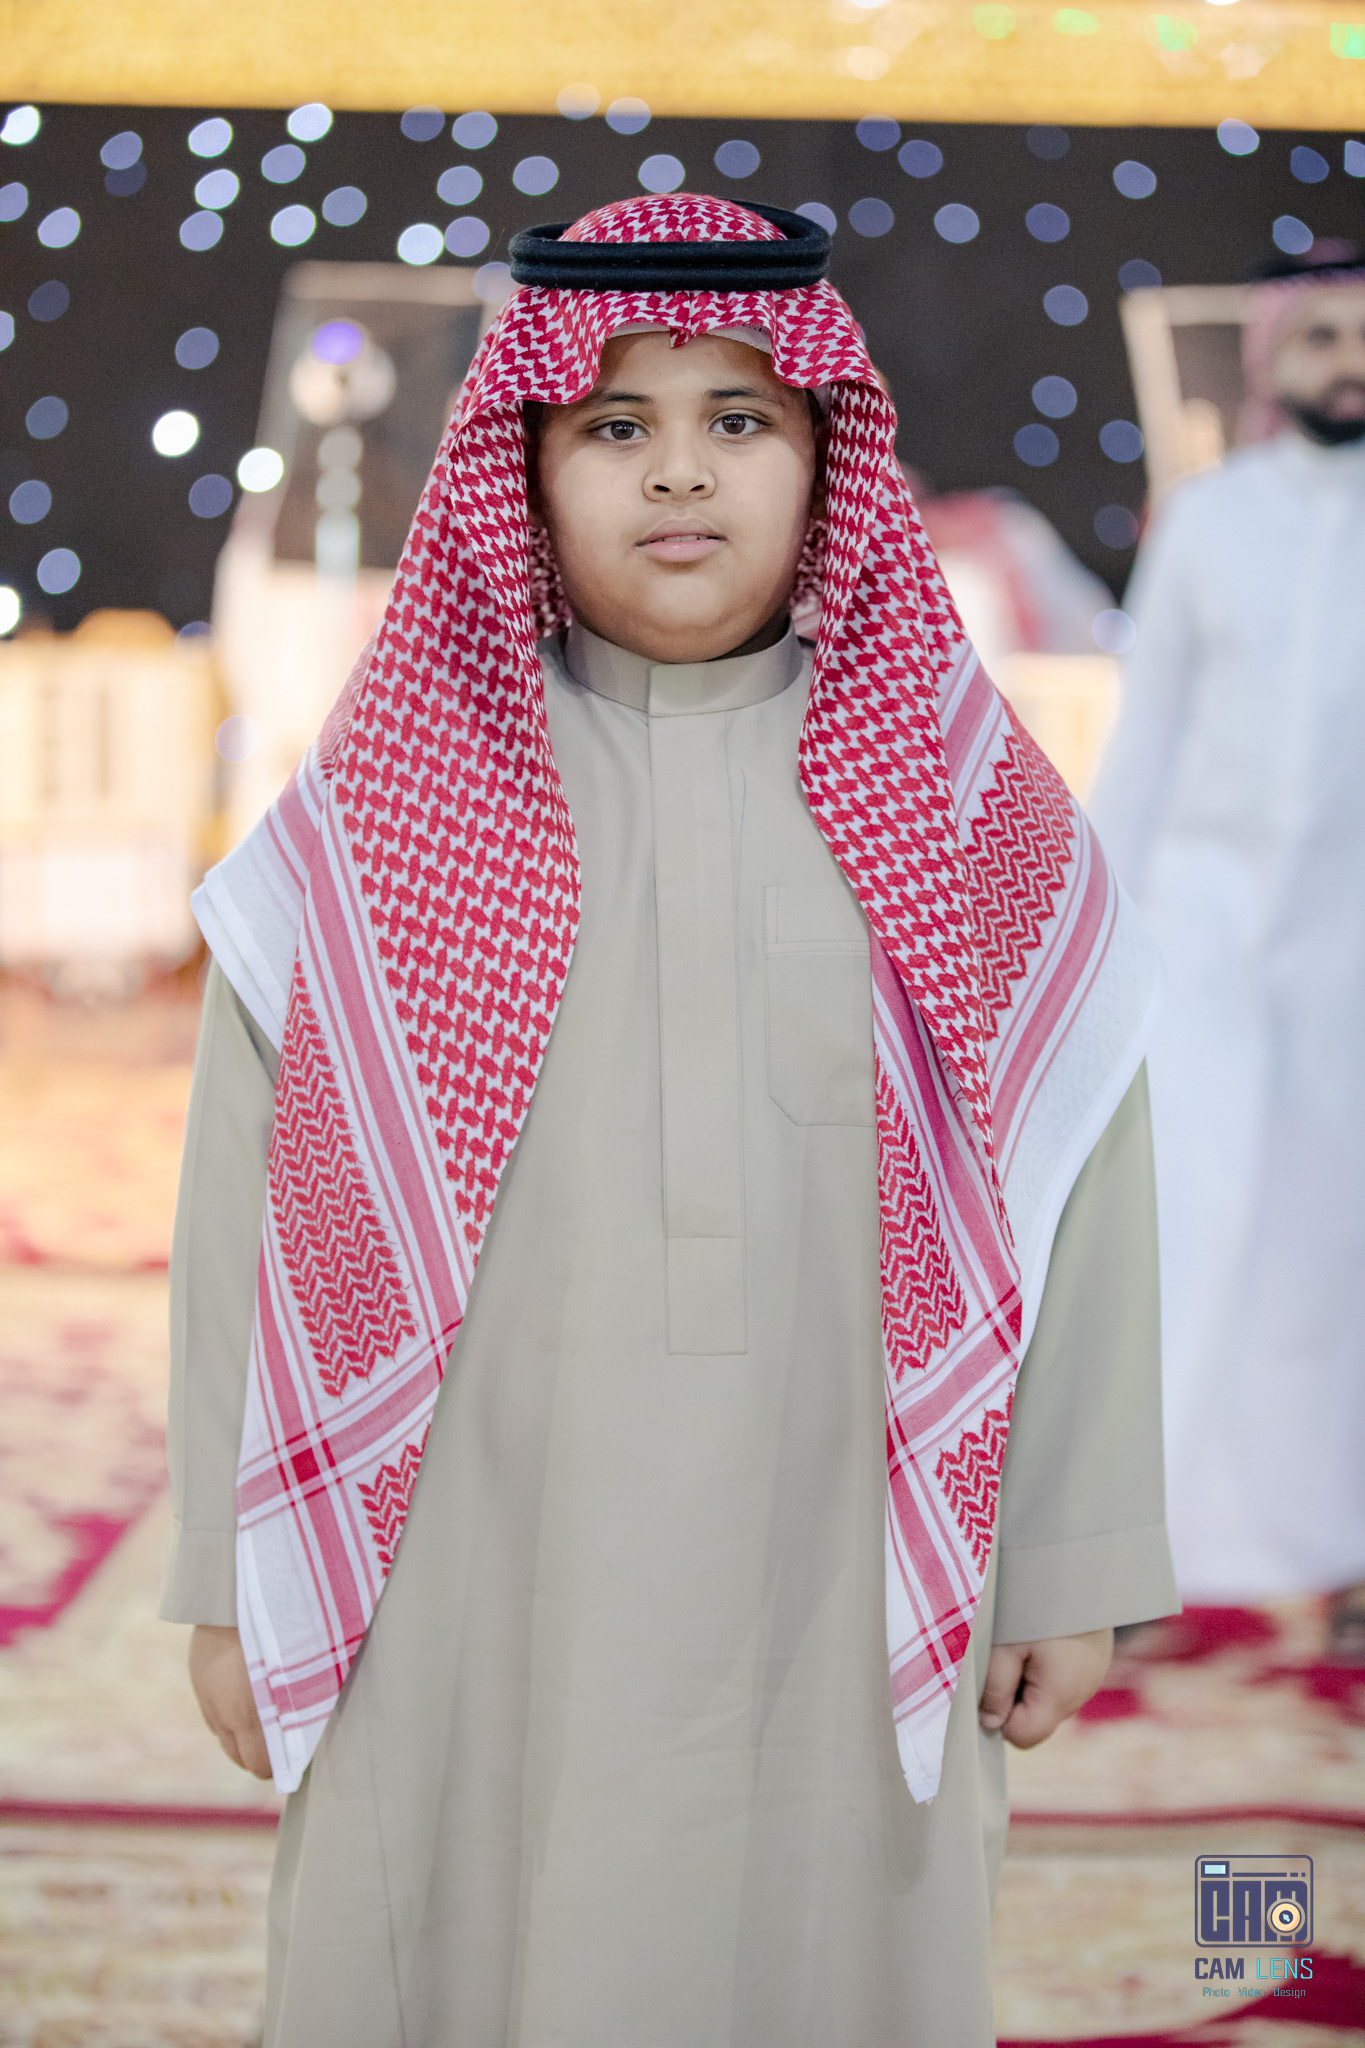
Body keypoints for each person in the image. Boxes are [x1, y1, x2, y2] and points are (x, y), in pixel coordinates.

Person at [163, 194, 1175, 2047]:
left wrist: (1068, 1554)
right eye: (615, 425)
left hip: (837, 1546)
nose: (679, 473)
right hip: (461, 1564)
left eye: (740, 421)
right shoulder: (384, 822)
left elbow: (1080, 1195)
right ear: (523, 469)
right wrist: (229, 1582)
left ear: (827, 461)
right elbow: (250, 1214)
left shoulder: (970, 822)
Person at [1089, 247, 1365, 1653]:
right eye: (1321, 336)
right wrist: (1096, 938)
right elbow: (1146, 739)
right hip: (1196, 936)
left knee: (1336, 1252)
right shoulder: (1209, 519)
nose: (1347, 364)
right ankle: (1140, 1555)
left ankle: (1342, 1555)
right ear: (1271, 357)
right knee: (1182, 1238)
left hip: (1347, 954)